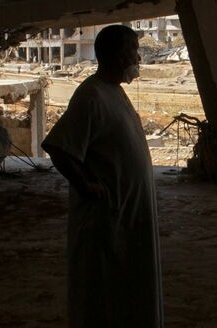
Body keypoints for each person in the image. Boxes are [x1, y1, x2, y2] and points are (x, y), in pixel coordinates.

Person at [42, 25, 163, 327]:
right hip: (107, 217)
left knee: (128, 287)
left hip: (128, 214)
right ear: (119, 54)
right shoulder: (91, 96)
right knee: (103, 290)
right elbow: (59, 148)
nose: (138, 57)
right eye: (134, 49)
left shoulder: (114, 92)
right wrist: (85, 186)